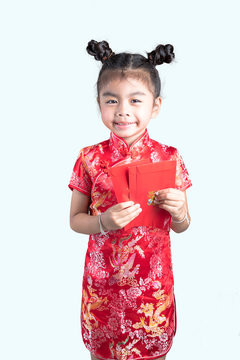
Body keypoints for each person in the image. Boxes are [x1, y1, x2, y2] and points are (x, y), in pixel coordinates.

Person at [68, 39, 192, 360]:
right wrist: (102, 222)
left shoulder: (170, 158)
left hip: (152, 289)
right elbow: (75, 220)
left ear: (156, 105)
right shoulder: (89, 158)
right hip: (102, 289)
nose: (123, 110)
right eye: (112, 100)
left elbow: (183, 225)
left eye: (136, 100)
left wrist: (179, 213)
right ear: (99, 103)